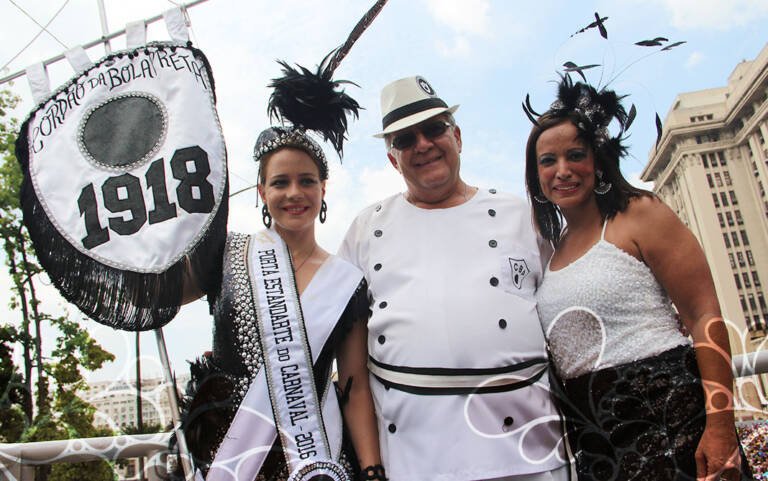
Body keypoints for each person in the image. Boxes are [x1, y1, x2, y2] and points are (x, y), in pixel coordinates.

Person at [339, 76, 570, 481]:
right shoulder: (364, 230)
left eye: (433, 129)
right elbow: (351, 369)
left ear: (457, 137)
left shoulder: (521, 215)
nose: (423, 145)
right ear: (393, 159)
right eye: (405, 140)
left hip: (532, 454)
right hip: (415, 462)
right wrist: (372, 469)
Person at [525, 76, 746, 481]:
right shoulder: (550, 250)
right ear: (535, 175)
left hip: (672, 418)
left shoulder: (641, 213)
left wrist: (720, 427)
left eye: (575, 155)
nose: (562, 171)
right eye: (547, 161)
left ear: (598, 160)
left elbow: (703, 315)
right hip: (597, 438)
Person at [178, 125, 384, 481]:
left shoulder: (346, 282)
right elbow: (163, 297)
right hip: (225, 455)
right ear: (262, 191)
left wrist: (372, 468)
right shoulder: (227, 253)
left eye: (306, 181)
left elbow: (356, 387)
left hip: (313, 459)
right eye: (279, 182)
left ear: (323, 188)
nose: (294, 193)